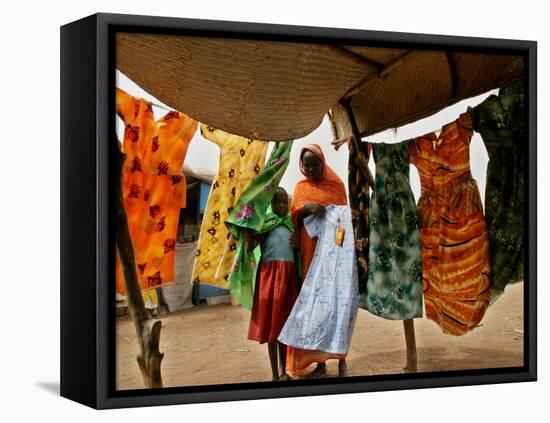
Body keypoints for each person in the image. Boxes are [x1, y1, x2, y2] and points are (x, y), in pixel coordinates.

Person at [285, 144, 350, 378]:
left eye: (315, 164)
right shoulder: (301, 188)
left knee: (336, 309)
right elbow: (293, 218)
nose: (310, 169)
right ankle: (321, 364)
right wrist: (306, 209)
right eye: (307, 165)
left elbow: (345, 223)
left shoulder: (337, 185)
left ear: (323, 163)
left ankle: (342, 362)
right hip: (309, 256)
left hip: (333, 259)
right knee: (315, 312)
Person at [246, 187, 299, 381]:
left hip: (288, 280)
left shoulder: (290, 226)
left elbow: (298, 251)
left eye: (285, 202)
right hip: (269, 279)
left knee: (283, 327)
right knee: (271, 328)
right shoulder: (265, 225)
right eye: (278, 202)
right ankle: (275, 375)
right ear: (271, 204)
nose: (282, 206)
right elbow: (250, 246)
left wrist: (297, 245)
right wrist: (246, 227)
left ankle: (284, 372)